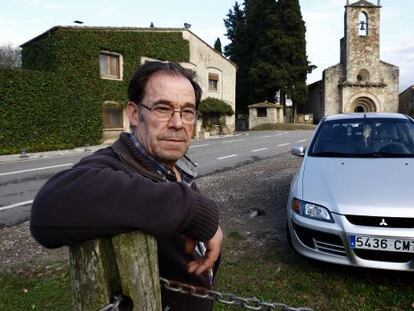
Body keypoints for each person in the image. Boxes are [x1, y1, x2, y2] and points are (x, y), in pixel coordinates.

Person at [30, 61, 223, 310]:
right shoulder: (115, 164)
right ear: (134, 114)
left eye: (187, 111)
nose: (178, 123)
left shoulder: (178, 167)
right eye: (163, 109)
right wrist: (193, 210)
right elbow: (49, 207)